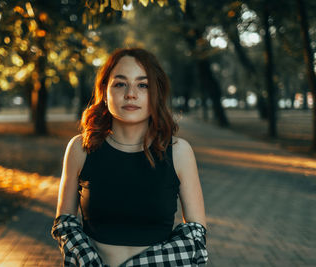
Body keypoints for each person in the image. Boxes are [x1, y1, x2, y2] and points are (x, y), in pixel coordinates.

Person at [51, 48, 208, 266]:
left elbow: (196, 234)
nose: (131, 94)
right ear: (105, 91)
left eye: (143, 85)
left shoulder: (179, 151)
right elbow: (65, 225)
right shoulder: (80, 148)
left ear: (157, 93)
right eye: (120, 83)